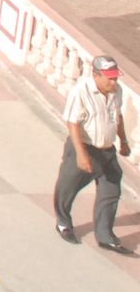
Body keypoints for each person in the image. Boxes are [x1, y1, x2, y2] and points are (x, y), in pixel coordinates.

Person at [54, 55, 131, 250]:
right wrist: (81, 154)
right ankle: (63, 223)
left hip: (107, 150)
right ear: (96, 75)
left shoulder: (116, 91)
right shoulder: (81, 91)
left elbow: (118, 116)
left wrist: (123, 140)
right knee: (68, 186)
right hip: (84, 147)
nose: (113, 82)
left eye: (115, 77)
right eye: (109, 78)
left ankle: (105, 235)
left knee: (111, 189)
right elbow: (72, 123)